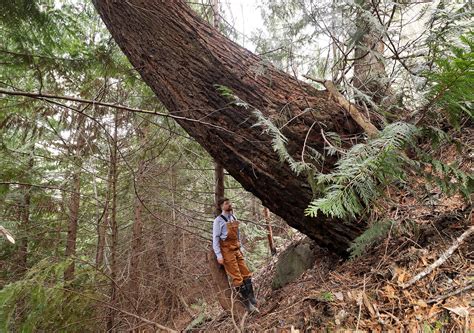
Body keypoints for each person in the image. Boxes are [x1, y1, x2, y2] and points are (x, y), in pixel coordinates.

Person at [212, 198, 258, 312]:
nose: (229, 205)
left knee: (246, 273)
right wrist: (219, 255)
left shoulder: (233, 217)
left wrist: (240, 247)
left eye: (230, 203)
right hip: (227, 251)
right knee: (237, 277)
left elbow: (237, 235)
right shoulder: (218, 221)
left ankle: (252, 298)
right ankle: (247, 304)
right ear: (221, 206)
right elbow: (215, 239)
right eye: (227, 203)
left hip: (237, 249)